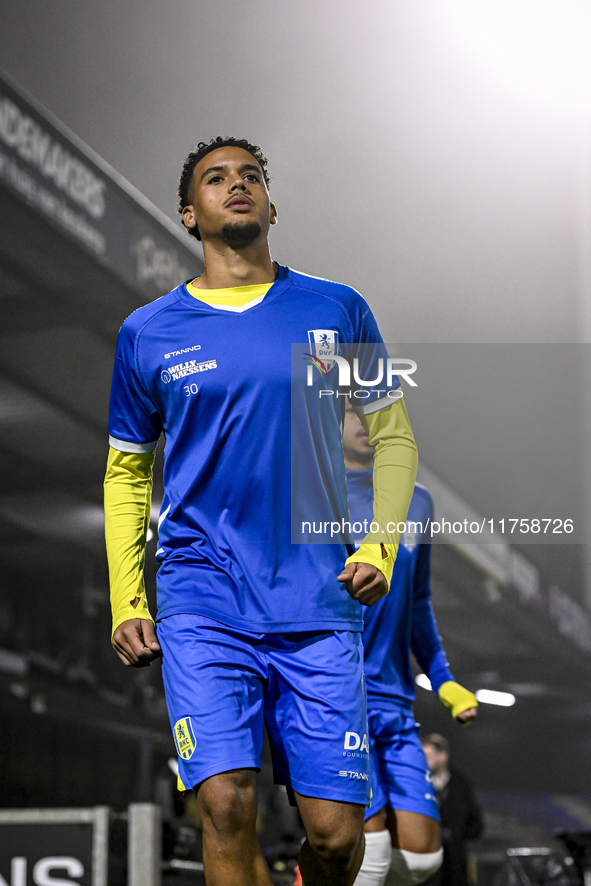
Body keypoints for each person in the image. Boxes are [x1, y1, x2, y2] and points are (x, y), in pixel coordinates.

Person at [104, 136, 419, 886]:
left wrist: (378, 547)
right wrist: (127, 596)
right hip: (201, 597)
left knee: (338, 838)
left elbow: (393, 435)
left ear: (272, 204)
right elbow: (126, 474)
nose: (236, 184)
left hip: (317, 598)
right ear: (189, 213)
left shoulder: (336, 308)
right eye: (216, 178)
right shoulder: (147, 332)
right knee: (223, 804)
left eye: (252, 176)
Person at [341, 403, 478, 886]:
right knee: (369, 852)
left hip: (394, 702)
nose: (363, 422)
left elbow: (417, 602)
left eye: (372, 412)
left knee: (421, 861)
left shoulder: (417, 503)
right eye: (350, 412)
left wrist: (444, 680)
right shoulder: (313, 495)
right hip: (335, 696)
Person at [420, 734, 483, 886]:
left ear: (443, 756)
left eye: (428, 755)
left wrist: (455, 835)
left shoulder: (461, 786)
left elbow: (475, 824)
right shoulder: (417, 785)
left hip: (454, 865)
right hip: (426, 864)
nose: (423, 760)